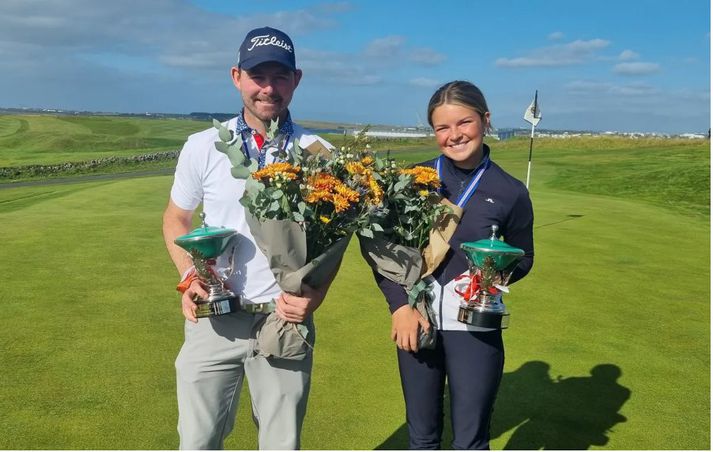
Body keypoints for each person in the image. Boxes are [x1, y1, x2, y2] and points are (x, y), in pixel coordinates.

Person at [162, 26, 334, 450]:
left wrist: (316, 294)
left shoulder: (318, 153)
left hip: (285, 320)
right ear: (237, 76)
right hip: (213, 319)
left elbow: (331, 242)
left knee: (281, 444)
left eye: (280, 76)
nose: (268, 88)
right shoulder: (202, 146)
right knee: (197, 441)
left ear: (296, 79)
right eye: (259, 76)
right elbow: (176, 219)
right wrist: (190, 276)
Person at [373, 80, 535, 449]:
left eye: (464, 123)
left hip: (476, 326)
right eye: (442, 127)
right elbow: (386, 253)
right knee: (422, 436)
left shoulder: (510, 191)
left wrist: (489, 279)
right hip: (418, 320)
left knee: (471, 440)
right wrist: (400, 306)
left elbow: (524, 257)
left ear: (485, 120)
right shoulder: (412, 181)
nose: (454, 135)